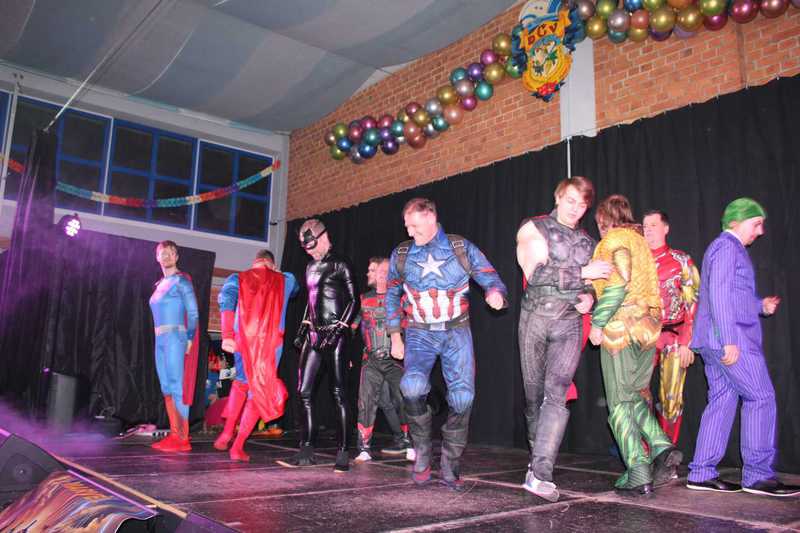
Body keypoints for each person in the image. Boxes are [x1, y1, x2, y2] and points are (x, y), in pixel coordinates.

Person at [386, 198, 508, 490]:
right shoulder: (402, 254)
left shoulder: (459, 247)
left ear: (431, 218)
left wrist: (494, 293)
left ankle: (451, 461)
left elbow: (491, 278)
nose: (409, 231)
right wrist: (394, 335)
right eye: (406, 226)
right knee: (411, 387)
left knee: (463, 397)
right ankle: (422, 449)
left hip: (456, 331)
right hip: (419, 332)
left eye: (414, 225)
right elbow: (390, 293)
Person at [686, 198, 800, 497]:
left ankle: (701, 472)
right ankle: (758, 475)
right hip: (729, 339)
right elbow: (720, 296)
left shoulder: (724, 248)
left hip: (713, 339)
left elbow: (731, 297)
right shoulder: (727, 248)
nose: (760, 231)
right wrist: (729, 340)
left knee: (722, 401)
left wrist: (760, 305)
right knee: (761, 397)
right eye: (756, 224)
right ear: (735, 222)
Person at [515, 176, 610, 501]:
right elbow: (535, 274)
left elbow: (595, 285)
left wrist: (590, 298)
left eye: (582, 204)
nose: (575, 209)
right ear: (558, 197)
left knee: (556, 395)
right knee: (534, 398)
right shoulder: (534, 228)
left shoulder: (587, 242)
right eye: (570, 200)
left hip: (569, 323)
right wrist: (583, 274)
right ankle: (535, 459)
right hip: (535, 318)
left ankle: (541, 473)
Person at [589, 195, 680, 494]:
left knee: (618, 402)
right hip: (649, 327)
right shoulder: (641, 242)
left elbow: (619, 283)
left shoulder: (612, 240)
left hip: (621, 327)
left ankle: (638, 468)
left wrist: (598, 323)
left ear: (604, 220)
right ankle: (661, 445)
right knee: (635, 396)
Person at [278, 219, 357, 472]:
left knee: (339, 393)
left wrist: (339, 330)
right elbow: (310, 301)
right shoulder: (310, 266)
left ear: (323, 237)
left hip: (336, 335)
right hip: (313, 335)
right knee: (303, 391)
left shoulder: (341, 263)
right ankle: (306, 450)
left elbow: (354, 301)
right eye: (306, 249)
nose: (310, 253)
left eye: (312, 247)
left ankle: (343, 452)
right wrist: (303, 329)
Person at [213, 250, 298, 461]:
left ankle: (226, 433)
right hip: (269, 345)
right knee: (258, 392)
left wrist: (227, 335)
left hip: (243, 339)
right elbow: (296, 289)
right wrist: (277, 273)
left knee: (241, 382)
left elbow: (226, 300)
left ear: (254, 263)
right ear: (272, 264)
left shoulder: (238, 278)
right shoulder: (286, 280)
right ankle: (237, 447)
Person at [641, 210, 700, 445]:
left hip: (674, 337)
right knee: (638, 395)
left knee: (671, 397)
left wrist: (687, 342)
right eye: (645, 226)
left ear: (666, 228)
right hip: (643, 337)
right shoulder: (635, 262)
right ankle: (643, 451)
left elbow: (693, 303)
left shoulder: (681, 261)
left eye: (653, 225)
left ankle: (666, 452)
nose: (648, 230)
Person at [353, 257, 412, 463]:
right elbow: (353, 326)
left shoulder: (401, 299)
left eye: (383, 271)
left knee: (404, 400)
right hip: (370, 360)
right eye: (377, 271)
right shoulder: (363, 299)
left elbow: (414, 324)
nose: (378, 275)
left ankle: (409, 443)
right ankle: (364, 448)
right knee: (366, 403)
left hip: (396, 361)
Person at [149, 240, 199, 453]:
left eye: (171, 253)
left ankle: (183, 438)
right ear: (157, 257)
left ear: (177, 257)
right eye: (163, 253)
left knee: (177, 386)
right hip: (160, 339)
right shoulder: (159, 284)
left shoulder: (181, 282)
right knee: (166, 387)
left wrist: (190, 339)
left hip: (175, 337)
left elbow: (193, 313)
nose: (167, 256)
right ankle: (175, 434)